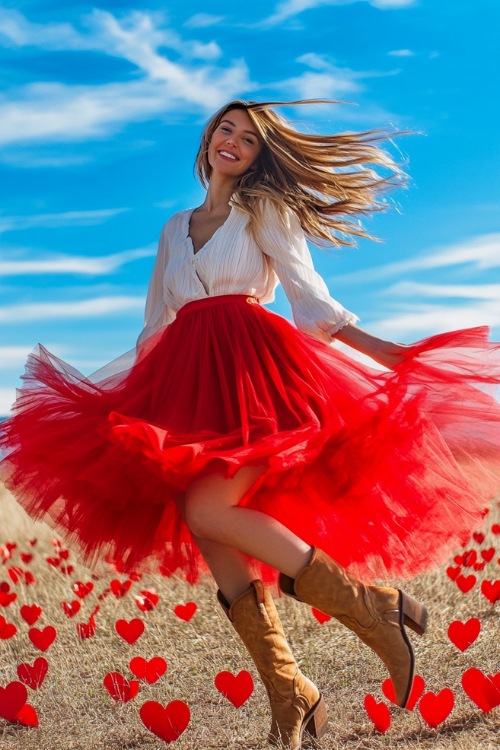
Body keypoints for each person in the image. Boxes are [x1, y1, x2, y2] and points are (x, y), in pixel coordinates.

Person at [1, 99, 500, 750]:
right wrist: (115, 399)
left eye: (248, 138)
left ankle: (374, 607)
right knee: (205, 526)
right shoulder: (173, 226)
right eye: (224, 130)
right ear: (208, 141)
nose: (232, 141)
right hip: (186, 385)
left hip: (258, 381)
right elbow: (155, 325)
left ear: (262, 155)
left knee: (211, 511)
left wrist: (386, 353)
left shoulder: (264, 209)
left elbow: (310, 301)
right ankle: (291, 690)